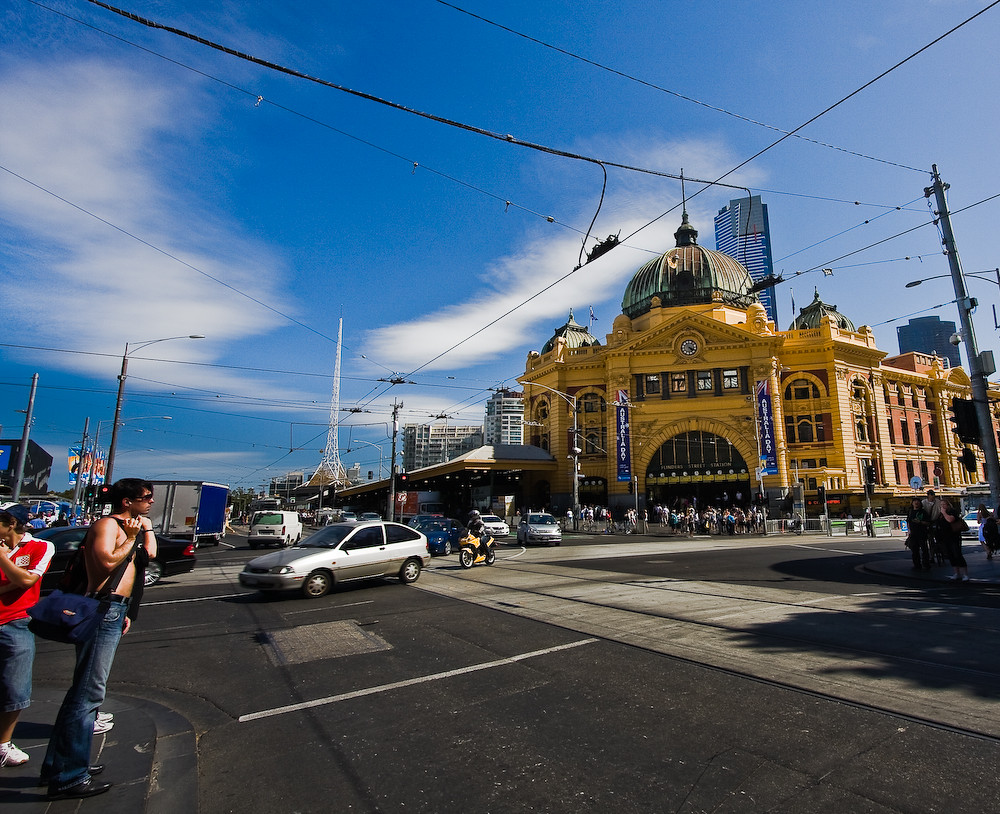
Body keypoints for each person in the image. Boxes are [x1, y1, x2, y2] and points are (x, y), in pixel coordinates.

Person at [40, 479, 157, 800]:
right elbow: (106, 562)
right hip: (102, 609)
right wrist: (130, 536)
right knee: (88, 695)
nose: (150, 502)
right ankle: (69, 776)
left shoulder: (131, 526)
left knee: (83, 692)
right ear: (126, 501)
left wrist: (142, 531)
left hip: (115, 610)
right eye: (146, 498)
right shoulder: (107, 525)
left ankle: (58, 764)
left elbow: (148, 555)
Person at [0, 505, 54, 768]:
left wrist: (2, 559)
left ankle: (3, 744)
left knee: (14, 687)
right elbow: (18, 580)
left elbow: (27, 581)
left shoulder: (41, 547)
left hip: (15, 622)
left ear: (11, 523)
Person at [938, 499, 969, 582]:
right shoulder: (940, 515)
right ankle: (956, 572)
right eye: (941, 505)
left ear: (948, 505)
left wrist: (944, 513)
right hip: (945, 536)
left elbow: (950, 520)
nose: (942, 506)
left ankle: (965, 574)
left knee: (957, 554)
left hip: (954, 536)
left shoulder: (952, 512)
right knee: (950, 555)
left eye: (944, 504)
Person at [905, 498, 931, 571]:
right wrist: (909, 531)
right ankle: (917, 564)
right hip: (913, 534)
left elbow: (928, 522)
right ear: (912, 503)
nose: (916, 503)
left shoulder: (923, 512)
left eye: (918, 502)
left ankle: (926, 564)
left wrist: (920, 522)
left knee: (924, 549)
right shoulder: (910, 512)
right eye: (914, 502)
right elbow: (908, 522)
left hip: (922, 533)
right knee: (914, 550)